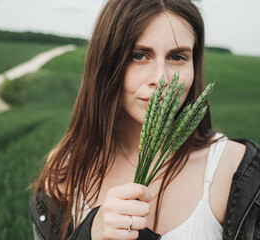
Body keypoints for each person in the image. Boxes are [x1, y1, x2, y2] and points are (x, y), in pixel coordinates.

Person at [29, 0, 260, 239]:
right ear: (106, 64)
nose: (161, 78)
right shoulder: (65, 169)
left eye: (178, 57)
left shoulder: (234, 168)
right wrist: (90, 233)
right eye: (139, 55)